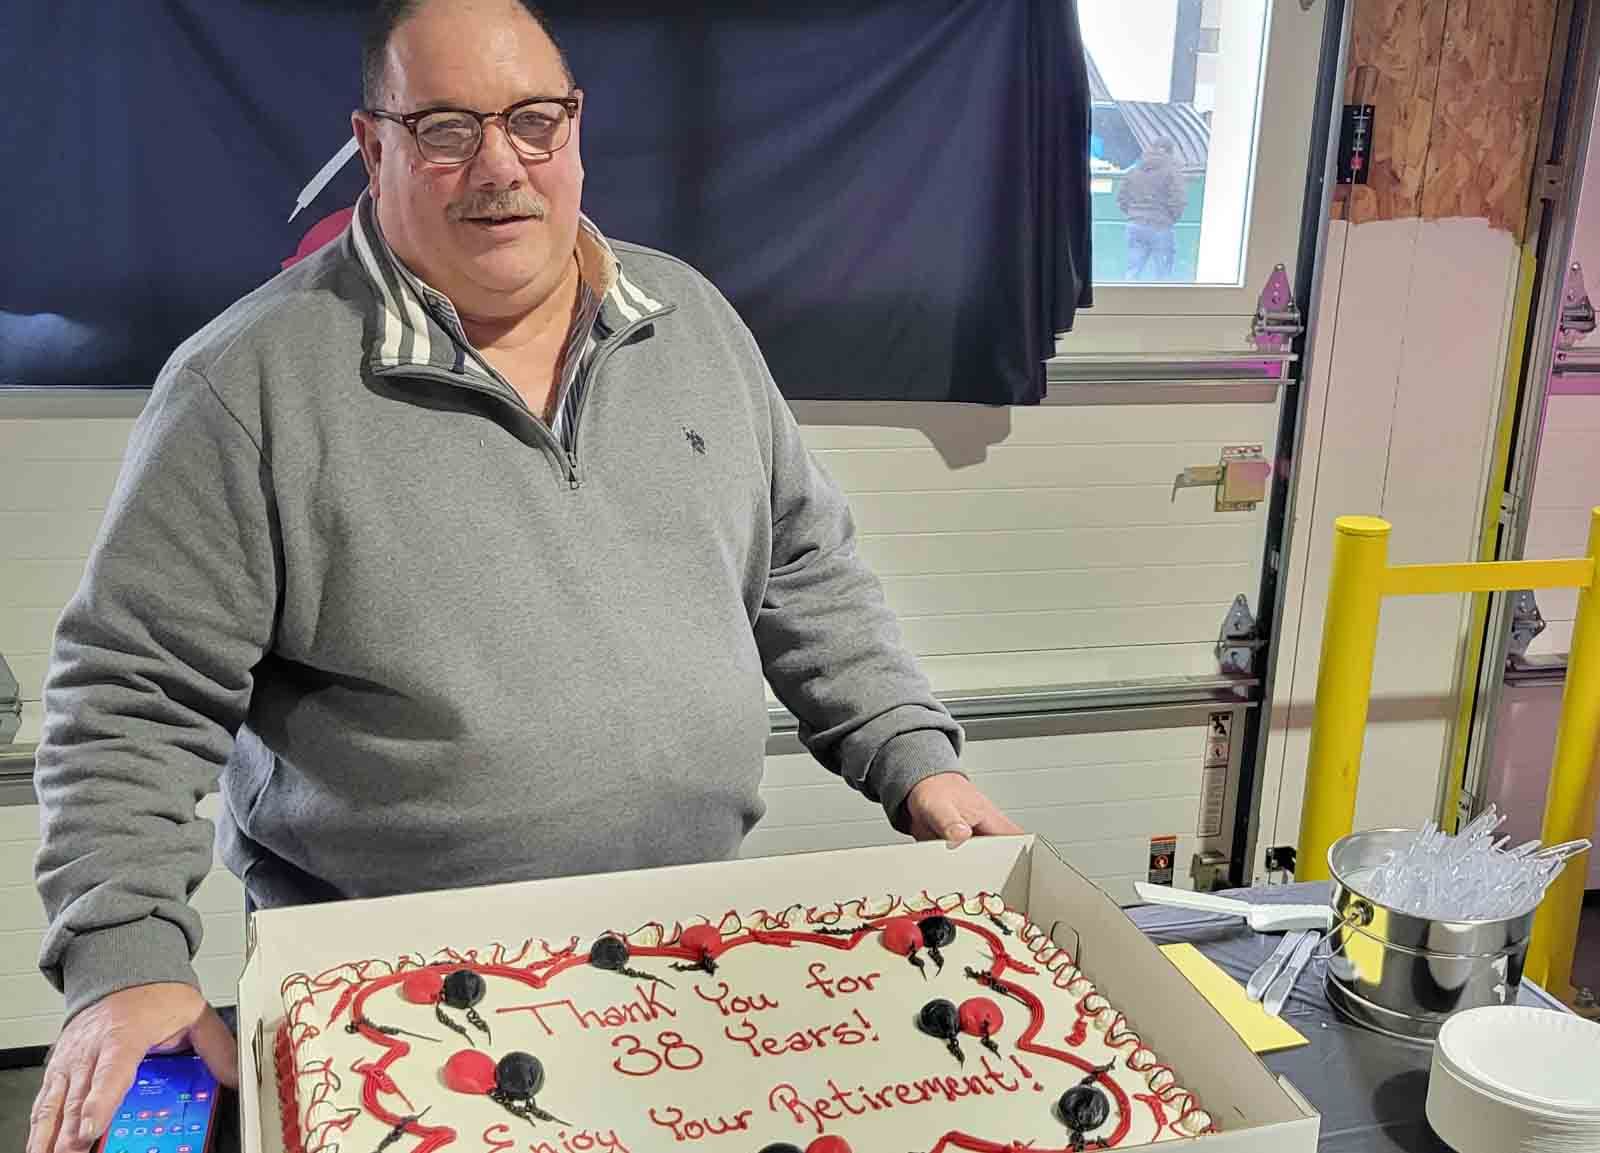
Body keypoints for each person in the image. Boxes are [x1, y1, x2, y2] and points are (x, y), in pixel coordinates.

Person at [26, 2, 1018, 1149]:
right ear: (373, 141)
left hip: (680, 958)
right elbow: (129, 699)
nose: (499, 165)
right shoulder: (247, 386)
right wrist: (126, 956)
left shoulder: (689, 323)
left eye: (534, 121)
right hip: (389, 1001)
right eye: (444, 127)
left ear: (576, 127)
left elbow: (802, 569)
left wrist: (914, 757)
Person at [1114, 137, 1188, 282]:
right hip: (1161, 225)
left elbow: (1121, 199)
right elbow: (1178, 199)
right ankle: (1161, 304)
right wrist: (1171, 218)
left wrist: (1134, 214)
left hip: (1135, 224)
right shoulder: (1173, 171)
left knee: (1132, 273)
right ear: (1170, 152)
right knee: (1163, 277)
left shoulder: (1135, 170)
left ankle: (1126, 302)